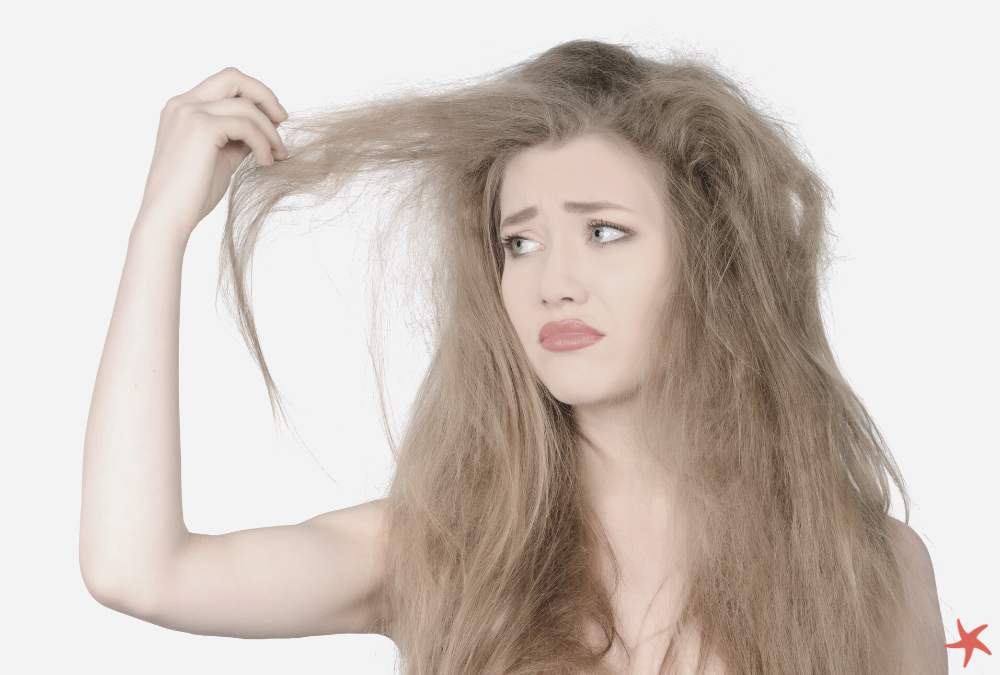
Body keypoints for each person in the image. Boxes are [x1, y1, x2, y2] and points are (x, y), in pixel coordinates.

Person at [80, 40, 947, 674]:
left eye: (603, 231)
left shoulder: (870, 568)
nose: (552, 283)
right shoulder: (446, 548)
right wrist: (159, 230)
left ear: (711, 259)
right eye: (520, 243)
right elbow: (139, 570)